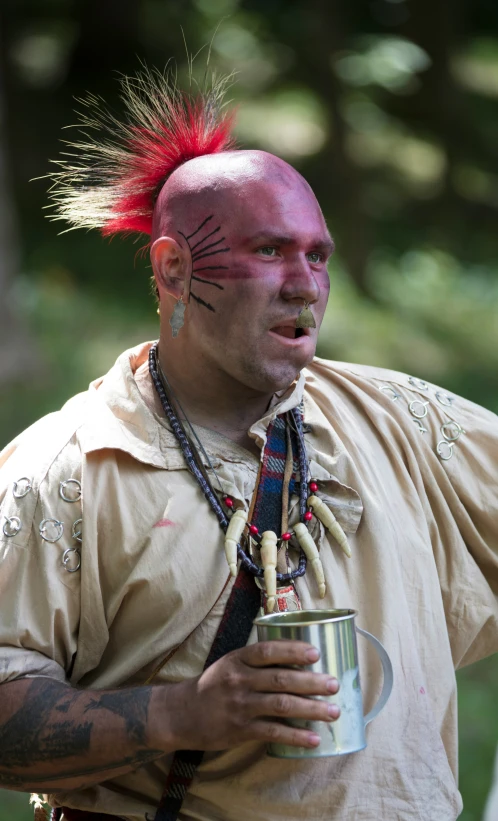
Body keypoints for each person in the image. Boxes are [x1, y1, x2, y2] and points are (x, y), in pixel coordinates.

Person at [0, 65, 496, 821]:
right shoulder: (67, 470)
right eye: (270, 251)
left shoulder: (402, 420)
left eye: (318, 255)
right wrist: (184, 714)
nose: (306, 285)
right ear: (174, 267)